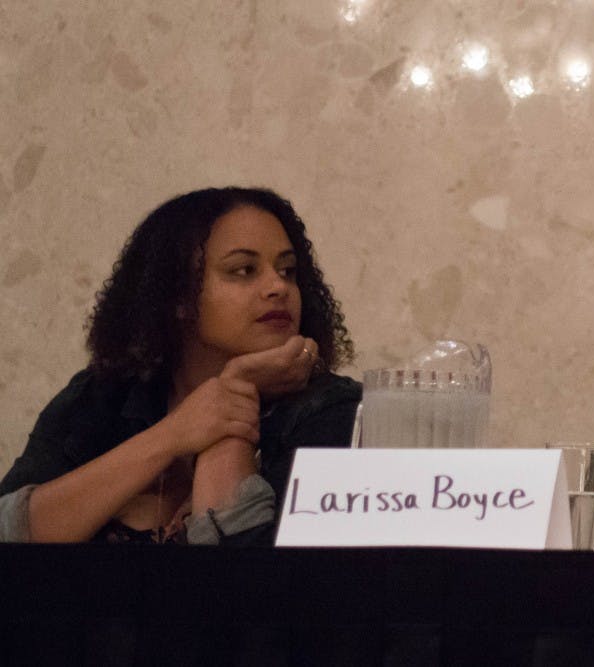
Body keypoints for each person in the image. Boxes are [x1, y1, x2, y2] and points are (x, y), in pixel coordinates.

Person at [0, 187, 360, 545]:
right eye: (244, 270)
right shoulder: (103, 395)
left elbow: (257, 586)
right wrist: (173, 435)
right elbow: (11, 534)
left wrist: (234, 393)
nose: (277, 286)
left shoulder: (334, 412)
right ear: (177, 297)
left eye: (288, 270)